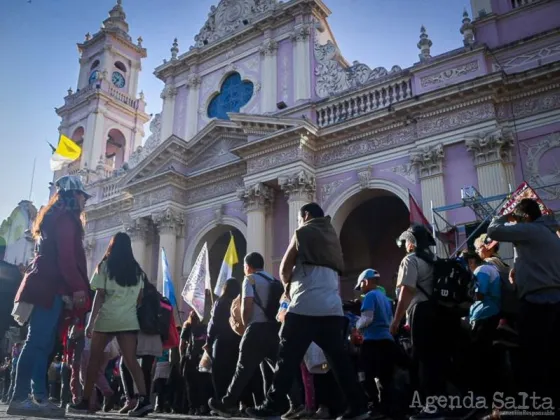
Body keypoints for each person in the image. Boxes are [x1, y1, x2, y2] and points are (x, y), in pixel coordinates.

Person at [247, 203, 369, 420]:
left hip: (304, 306)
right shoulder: (332, 236)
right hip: (332, 309)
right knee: (339, 362)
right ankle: (358, 406)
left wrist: (288, 286)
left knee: (285, 359)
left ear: (305, 215)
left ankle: (272, 405)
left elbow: (284, 267)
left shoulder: (302, 232)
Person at [8, 176, 91, 418]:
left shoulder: (55, 215)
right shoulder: (66, 218)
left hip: (47, 285)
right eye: (82, 196)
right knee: (37, 342)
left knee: (42, 343)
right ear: (72, 195)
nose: (84, 200)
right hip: (48, 286)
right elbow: (66, 258)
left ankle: (38, 396)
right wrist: (78, 286)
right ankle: (20, 396)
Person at [67, 232, 152, 417]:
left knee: (94, 361)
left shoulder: (104, 266)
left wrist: (90, 323)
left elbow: (99, 295)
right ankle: (144, 400)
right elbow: (139, 300)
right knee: (131, 362)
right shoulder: (138, 271)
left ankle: (85, 401)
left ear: (112, 246)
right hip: (128, 321)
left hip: (106, 319)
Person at [487, 198, 560, 413]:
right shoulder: (550, 235)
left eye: (518, 219)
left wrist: (506, 216)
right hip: (554, 300)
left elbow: (493, 231)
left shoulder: (530, 231)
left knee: (533, 358)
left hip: (537, 303)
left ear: (525, 217)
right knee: (551, 357)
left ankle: (536, 405)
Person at [390, 224, 462, 420]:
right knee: (437, 358)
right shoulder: (434, 261)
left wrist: (396, 320)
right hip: (438, 312)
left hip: (420, 312)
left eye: (406, 241)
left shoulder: (410, 260)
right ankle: (446, 402)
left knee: (423, 361)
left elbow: (407, 291)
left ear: (412, 243)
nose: (405, 245)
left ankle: (431, 407)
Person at [209, 253, 287, 417]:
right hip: (274, 329)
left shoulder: (250, 279)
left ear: (247, 266)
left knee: (242, 368)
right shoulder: (274, 281)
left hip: (256, 329)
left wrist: (245, 324)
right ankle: (293, 404)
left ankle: (227, 402)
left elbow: (247, 304)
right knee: (279, 370)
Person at [354, 269, 397, 418]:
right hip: (388, 341)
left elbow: (367, 318)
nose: (361, 290)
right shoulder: (385, 298)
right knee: (385, 378)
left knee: (365, 375)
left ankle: (373, 406)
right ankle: (387, 409)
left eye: (361, 286)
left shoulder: (370, 296)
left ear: (366, 281)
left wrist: (356, 327)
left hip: (372, 342)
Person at [204, 278, 242, 402]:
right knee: (234, 372)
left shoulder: (220, 302)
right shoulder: (239, 303)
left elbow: (213, 324)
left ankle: (221, 401)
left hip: (221, 342)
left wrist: (208, 343)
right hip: (237, 341)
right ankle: (234, 402)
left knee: (219, 373)